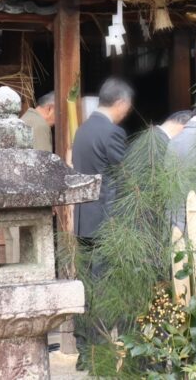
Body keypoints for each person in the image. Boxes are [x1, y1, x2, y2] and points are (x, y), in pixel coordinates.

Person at [71, 76, 134, 366]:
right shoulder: (112, 133)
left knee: (87, 288)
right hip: (108, 221)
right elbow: (125, 176)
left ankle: (86, 352)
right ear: (121, 103)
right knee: (106, 288)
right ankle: (100, 352)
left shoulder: (82, 130)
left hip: (85, 219)